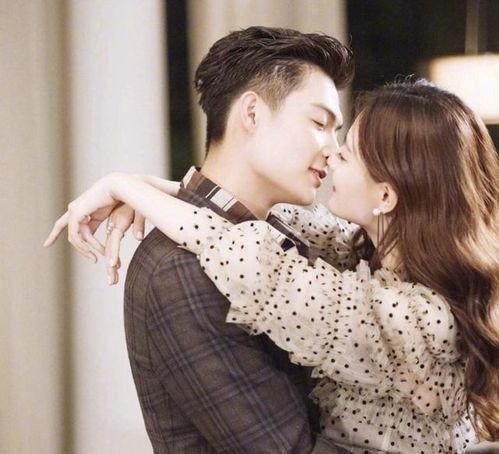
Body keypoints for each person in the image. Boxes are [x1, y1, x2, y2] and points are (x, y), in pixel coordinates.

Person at [45, 80, 499, 453]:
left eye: (346, 154)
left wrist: (122, 185)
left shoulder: (418, 316)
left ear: (385, 196)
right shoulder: (360, 251)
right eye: (319, 125)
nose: (330, 154)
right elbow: (251, 218)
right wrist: (149, 188)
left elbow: (255, 261)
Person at [46, 26, 354, 453]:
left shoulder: (278, 232)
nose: (333, 150)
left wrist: (145, 187)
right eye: (320, 123)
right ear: (252, 114)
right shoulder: (181, 269)